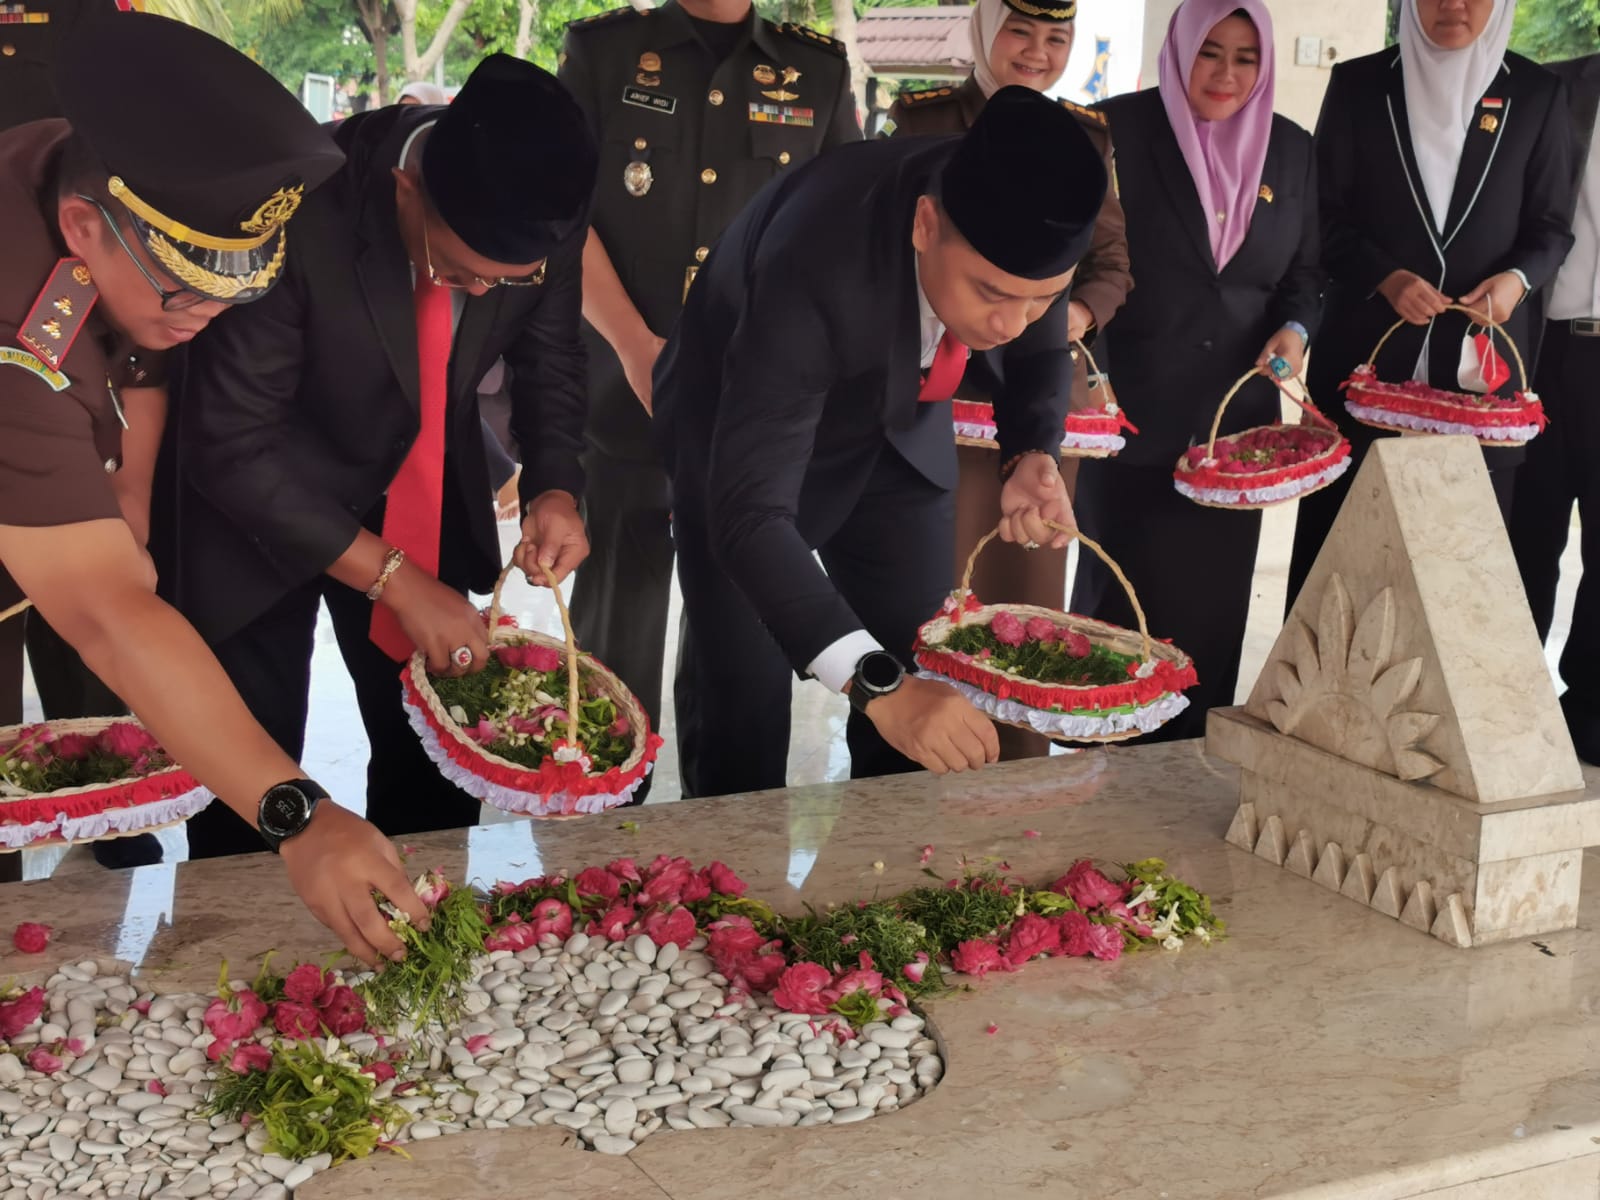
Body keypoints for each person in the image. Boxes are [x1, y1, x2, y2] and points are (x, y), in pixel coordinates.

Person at [0, 12, 431, 963]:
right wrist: (299, 815)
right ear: (81, 230)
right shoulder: (15, 339)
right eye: (185, 290)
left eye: (227, 292)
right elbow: (109, 610)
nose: (205, 316)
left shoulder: (80, 184)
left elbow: (139, 347)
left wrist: (136, 481)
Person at [168, 55, 597, 859]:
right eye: (459, 272)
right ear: (409, 191)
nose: (478, 293)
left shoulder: (548, 211)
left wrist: (556, 486)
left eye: (504, 281)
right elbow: (231, 443)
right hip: (262, 500)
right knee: (248, 784)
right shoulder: (297, 210)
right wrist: (395, 580)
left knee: (438, 770)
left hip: (422, 485)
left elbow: (553, 359)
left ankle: (417, 944)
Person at [656, 86, 1105, 798]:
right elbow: (750, 517)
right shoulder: (816, 258)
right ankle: (734, 887)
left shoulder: (1022, 238)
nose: (1014, 323)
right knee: (744, 694)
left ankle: (894, 873)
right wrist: (876, 686)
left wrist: (1031, 452)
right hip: (742, 432)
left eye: (1041, 297)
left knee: (924, 662)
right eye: (991, 294)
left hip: (897, 434)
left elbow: (1039, 344)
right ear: (927, 224)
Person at [557, 0, 859, 797]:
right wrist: (633, 346)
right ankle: (595, 858)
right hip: (625, 400)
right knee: (612, 651)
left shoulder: (818, 71)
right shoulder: (606, 52)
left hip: (753, 416)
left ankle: (734, 869)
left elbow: (841, 228)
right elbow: (565, 214)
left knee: (744, 666)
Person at [886, 0, 1132, 761]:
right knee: (930, 590)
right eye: (1020, 31)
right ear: (986, 31)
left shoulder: (1085, 136)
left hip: (1036, 398)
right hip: (937, 402)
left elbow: (1112, 264)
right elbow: (897, 255)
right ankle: (915, 755)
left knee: (1023, 603)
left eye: (1056, 37)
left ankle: (1011, 775)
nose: (1036, 52)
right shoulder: (926, 120)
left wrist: (1063, 318)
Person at [1068, 0, 1320, 741]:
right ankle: (1101, 797)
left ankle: (1185, 795)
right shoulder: (1114, 131)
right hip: (1129, 423)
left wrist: (1297, 328)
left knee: (1208, 626)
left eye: (1247, 58)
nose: (1227, 73)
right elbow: (1086, 266)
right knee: (1117, 635)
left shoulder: (1292, 150)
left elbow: (1306, 273)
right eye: (1212, 51)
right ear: (1181, 48)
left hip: (1230, 438)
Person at [1286, 0, 1575, 607]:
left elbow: (1551, 225)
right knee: (1342, 550)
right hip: (1366, 353)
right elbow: (1323, 214)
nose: (1453, 5)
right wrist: (1384, 276)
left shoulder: (1537, 93)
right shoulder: (1361, 83)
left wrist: (1517, 280)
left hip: (1480, 362)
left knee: (1458, 567)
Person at [0, 0, 163, 872]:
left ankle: (118, 841)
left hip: (87, 429)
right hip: (19, 375)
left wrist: (131, 486)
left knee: (99, 693)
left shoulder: (114, 46)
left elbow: (146, 334)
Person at [1508, 49, 1600, 764]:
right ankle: (1504, 707)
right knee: (1521, 536)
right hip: (1542, 347)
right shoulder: (1551, 86)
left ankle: (1591, 720)